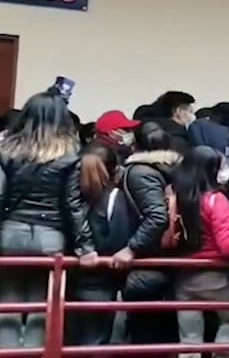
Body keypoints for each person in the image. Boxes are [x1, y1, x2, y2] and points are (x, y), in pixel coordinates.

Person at [0, 92, 97, 349]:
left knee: (7, 301)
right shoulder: (69, 155)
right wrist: (85, 247)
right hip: (50, 236)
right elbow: (73, 205)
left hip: (10, 232)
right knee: (42, 305)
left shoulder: (6, 151)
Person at [174, 146, 229, 358]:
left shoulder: (176, 197)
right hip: (217, 278)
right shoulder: (215, 200)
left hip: (185, 278)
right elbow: (228, 246)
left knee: (189, 339)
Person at [116, 121, 182, 345]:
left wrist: (131, 248)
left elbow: (157, 217)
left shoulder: (140, 172)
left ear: (135, 145)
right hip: (173, 259)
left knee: (145, 334)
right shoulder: (174, 168)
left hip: (148, 259)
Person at [69, 142, 134, 346]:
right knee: (94, 342)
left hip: (68, 278)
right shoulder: (114, 198)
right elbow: (118, 239)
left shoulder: (68, 196)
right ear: (114, 170)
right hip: (101, 280)